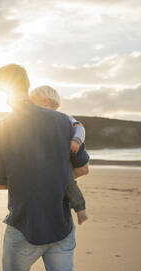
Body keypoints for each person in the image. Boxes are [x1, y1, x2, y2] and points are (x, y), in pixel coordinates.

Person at [0, 64, 90, 271]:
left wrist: (31, 179)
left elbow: (0, 184)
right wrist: (53, 178)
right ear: (28, 83)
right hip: (61, 225)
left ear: (2, 89)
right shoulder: (63, 121)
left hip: (23, 225)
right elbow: (82, 168)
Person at [30, 85, 88, 224]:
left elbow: (79, 127)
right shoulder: (33, 122)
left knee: (68, 182)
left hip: (62, 161)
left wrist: (76, 140)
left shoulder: (66, 119)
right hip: (43, 162)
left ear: (45, 102)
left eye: (33, 102)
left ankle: (80, 210)